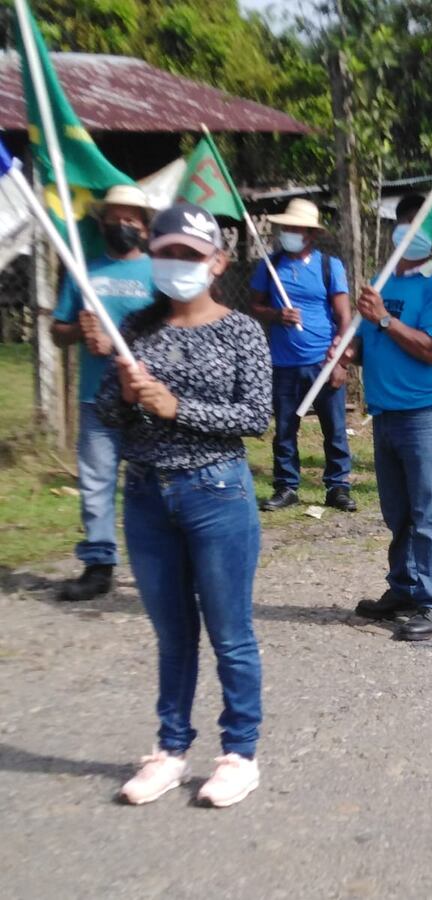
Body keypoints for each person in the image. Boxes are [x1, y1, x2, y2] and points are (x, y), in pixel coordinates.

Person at [95, 203, 271, 807]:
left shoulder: (242, 330)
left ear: (216, 262)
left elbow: (255, 418)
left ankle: (238, 753)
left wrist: (177, 406)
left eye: (189, 254)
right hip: (145, 496)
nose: (176, 263)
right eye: (165, 252)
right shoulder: (136, 330)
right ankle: (170, 750)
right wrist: (124, 393)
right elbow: (108, 418)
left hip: (216, 492)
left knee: (230, 632)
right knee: (173, 635)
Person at [342, 223, 432, 641]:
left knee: (429, 513)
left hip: (425, 416)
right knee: (398, 513)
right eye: (401, 224)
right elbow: (363, 341)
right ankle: (404, 589)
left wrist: (385, 319)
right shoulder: (381, 281)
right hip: (385, 413)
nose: (404, 232)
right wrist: (344, 354)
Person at [51, 185, 156, 602]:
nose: (122, 225)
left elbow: (177, 327)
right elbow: (57, 331)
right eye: (114, 218)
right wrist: (80, 330)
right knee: (96, 482)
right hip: (97, 398)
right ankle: (98, 565)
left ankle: (156, 559)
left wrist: (127, 343)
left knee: (148, 482)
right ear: (102, 223)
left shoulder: (159, 274)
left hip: (146, 396)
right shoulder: (83, 272)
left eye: (131, 219)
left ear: (145, 229)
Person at [248, 198, 355, 513]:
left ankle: (338, 487)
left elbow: (345, 318)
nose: (289, 232)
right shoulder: (269, 265)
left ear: (311, 233)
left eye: (296, 228)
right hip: (283, 364)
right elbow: (254, 306)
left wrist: (341, 361)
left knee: (334, 428)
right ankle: (286, 486)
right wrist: (275, 314)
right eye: (286, 227)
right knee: (284, 430)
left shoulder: (328, 266)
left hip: (323, 363)